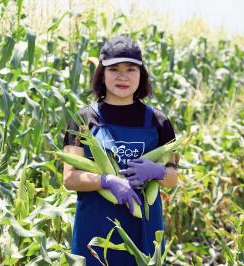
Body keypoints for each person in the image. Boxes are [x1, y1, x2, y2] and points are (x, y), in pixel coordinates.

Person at [63, 35, 179, 265]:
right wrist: (106, 181)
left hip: (144, 230)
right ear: (102, 74)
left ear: (141, 74)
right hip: (95, 232)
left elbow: (172, 178)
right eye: (114, 69)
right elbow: (70, 178)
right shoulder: (84, 119)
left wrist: (157, 171)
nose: (123, 76)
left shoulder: (159, 121)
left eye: (131, 69)